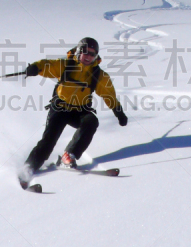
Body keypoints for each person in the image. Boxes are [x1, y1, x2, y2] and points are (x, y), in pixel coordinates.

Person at [19, 37, 127, 183]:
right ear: (78, 51)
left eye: (92, 54)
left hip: (80, 110)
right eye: (85, 52)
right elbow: (48, 65)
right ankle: (29, 167)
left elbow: (109, 94)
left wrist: (118, 111)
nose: (88, 56)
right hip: (60, 108)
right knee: (49, 141)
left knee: (91, 121)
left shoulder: (98, 75)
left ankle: (69, 155)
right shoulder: (66, 65)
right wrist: (35, 68)